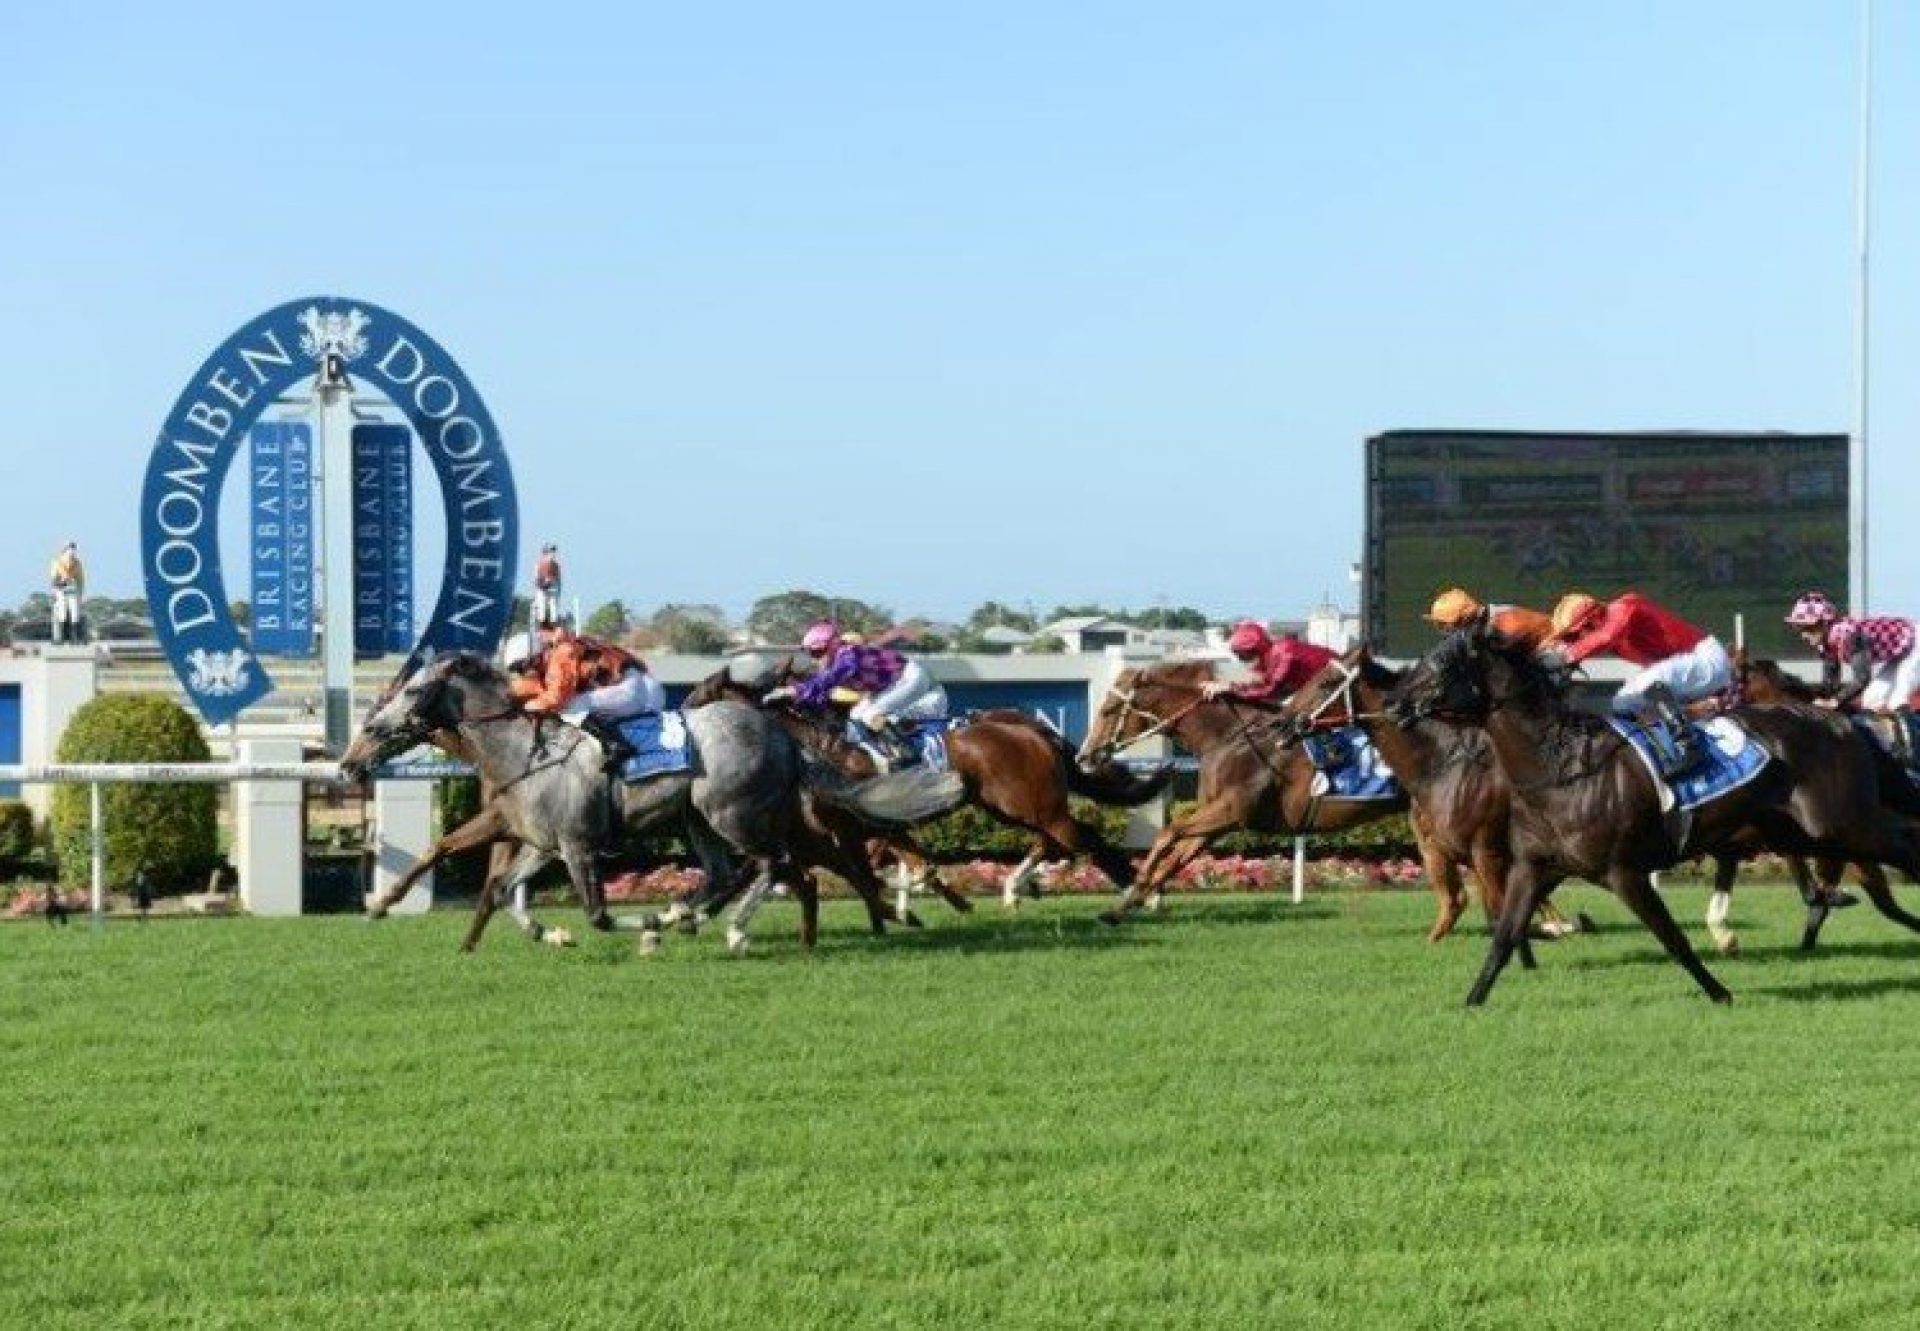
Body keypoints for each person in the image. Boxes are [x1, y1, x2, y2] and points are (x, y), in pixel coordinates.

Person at [1549, 591, 1730, 771]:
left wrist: (1563, 657)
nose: (1577, 640)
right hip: (1679, 677)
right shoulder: (1604, 632)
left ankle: (1688, 745)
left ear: (1593, 619)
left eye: (1576, 635)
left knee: (1651, 678)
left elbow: (1605, 637)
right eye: (1572, 638)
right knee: (1618, 703)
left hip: (1708, 660)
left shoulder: (1626, 606)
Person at [766, 621, 949, 765]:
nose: (816, 658)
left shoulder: (848, 657)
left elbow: (827, 681)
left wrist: (792, 690)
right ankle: (883, 750)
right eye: (812, 654)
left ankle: (905, 753)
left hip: (911, 677)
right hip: (891, 684)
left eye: (818, 652)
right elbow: (821, 692)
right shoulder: (839, 657)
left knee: (870, 714)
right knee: (856, 715)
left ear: (831, 645)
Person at [505, 624, 664, 770]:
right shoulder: (552, 655)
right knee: (571, 705)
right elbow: (532, 687)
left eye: (521, 668)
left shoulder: (561, 654)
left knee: (569, 706)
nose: (522, 674)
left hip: (630, 690)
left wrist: (528, 705)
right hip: (628, 685)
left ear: (534, 656)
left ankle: (615, 745)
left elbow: (556, 699)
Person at [1783, 591, 1920, 715]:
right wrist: (1812, 699)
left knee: (1897, 700)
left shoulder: (1850, 636)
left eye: (1809, 628)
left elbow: (1862, 678)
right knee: (1872, 700)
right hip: (1901, 650)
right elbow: (1830, 684)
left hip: (1916, 641)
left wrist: (1835, 701)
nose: (1804, 635)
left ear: (1825, 624)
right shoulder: (1826, 644)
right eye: (1800, 629)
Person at [1201, 620, 1335, 704]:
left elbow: (1269, 690)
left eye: (1238, 652)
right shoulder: (1266, 656)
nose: (1237, 657)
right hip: (1321, 685)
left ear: (1251, 648)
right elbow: (1255, 681)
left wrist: (1230, 688)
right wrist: (1221, 684)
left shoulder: (1283, 652)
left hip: (1338, 681)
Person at [1423, 587, 1556, 652]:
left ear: (1463, 620)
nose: (1443, 630)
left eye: (1444, 625)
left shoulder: (1505, 628)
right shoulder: (1487, 622)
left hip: (1553, 647)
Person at [49, 541, 84, 645]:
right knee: (62, 613)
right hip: (61, 590)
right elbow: (53, 579)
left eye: (73, 548)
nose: (72, 551)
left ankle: (74, 637)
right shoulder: (57, 562)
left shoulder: (77, 563)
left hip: (73, 591)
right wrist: (61, 583)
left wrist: (81, 593)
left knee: (75, 613)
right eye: (70, 548)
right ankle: (61, 637)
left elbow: (81, 580)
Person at [530, 544, 563, 629]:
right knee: (546, 604)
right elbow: (536, 577)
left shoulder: (552, 564)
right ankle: (547, 622)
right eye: (551, 551)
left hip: (549, 586)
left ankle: (548, 622)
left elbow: (536, 577)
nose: (552, 553)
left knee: (548, 604)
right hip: (546, 586)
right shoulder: (550, 564)